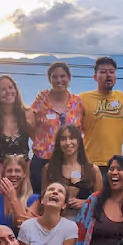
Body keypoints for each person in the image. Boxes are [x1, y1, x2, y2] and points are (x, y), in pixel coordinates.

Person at [29, 62, 84, 194]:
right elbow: (29, 124)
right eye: (55, 77)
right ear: (49, 79)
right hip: (43, 159)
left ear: (69, 78)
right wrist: (41, 142)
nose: (59, 80)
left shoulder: (77, 102)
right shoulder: (41, 100)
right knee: (41, 198)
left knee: (68, 199)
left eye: (62, 76)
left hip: (68, 161)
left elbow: (81, 129)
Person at [43, 124, 103, 219]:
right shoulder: (49, 169)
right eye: (63, 139)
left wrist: (85, 203)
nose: (68, 143)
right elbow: (44, 199)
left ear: (79, 141)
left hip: (85, 221)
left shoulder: (92, 170)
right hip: (57, 221)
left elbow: (100, 200)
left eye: (72, 138)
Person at [80, 57, 123, 176]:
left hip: (116, 164)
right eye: (103, 72)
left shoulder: (121, 97)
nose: (108, 75)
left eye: (112, 72)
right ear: (95, 77)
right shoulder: (82, 99)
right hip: (90, 163)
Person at [0, 154, 40, 236]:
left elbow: (24, 228)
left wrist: (13, 199)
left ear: (24, 174)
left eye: (17, 171)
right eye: (9, 171)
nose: (13, 174)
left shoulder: (33, 199)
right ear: (3, 174)